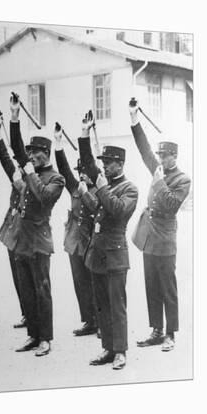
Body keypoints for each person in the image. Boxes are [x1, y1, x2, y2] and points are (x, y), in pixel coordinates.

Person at [129, 99, 191, 352]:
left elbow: (170, 205)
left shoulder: (182, 179)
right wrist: (135, 119)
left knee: (168, 288)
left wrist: (158, 182)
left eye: (165, 156)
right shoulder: (158, 170)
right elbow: (144, 150)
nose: (160, 159)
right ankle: (156, 330)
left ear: (174, 157)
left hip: (165, 241)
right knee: (151, 285)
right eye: (160, 156)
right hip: (150, 240)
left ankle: (170, 334)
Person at [8, 96, 65, 357]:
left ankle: (46, 338)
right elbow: (17, 149)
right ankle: (33, 334)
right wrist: (14, 118)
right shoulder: (33, 168)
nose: (30, 156)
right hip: (22, 238)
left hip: (39, 240)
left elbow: (43, 197)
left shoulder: (57, 178)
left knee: (42, 290)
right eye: (30, 152)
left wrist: (30, 173)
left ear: (46, 153)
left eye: (36, 153)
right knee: (27, 291)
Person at [79, 133, 138, 370]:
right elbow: (97, 209)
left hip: (115, 255)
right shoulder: (107, 184)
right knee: (102, 304)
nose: (104, 165)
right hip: (98, 254)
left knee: (117, 305)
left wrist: (101, 189)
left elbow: (117, 211)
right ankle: (108, 348)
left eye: (108, 162)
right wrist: (84, 135)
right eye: (103, 161)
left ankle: (120, 351)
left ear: (120, 164)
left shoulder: (129, 188)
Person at [53, 116, 98, 337]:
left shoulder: (99, 191)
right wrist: (58, 143)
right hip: (75, 243)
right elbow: (63, 169)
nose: (81, 175)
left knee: (95, 283)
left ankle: (100, 322)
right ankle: (89, 320)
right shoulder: (74, 186)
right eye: (79, 171)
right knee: (80, 283)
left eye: (84, 172)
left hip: (92, 244)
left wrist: (84, 133)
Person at [0, 107, 27, 330]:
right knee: (17, 276)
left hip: (26, 233)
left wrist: (14, 120)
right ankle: (26, 312)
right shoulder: (18, 174)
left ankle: (31, 313)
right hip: (12, 231)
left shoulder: (31, 178)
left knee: (26, 277)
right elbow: (7, 158)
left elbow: (18, 149)